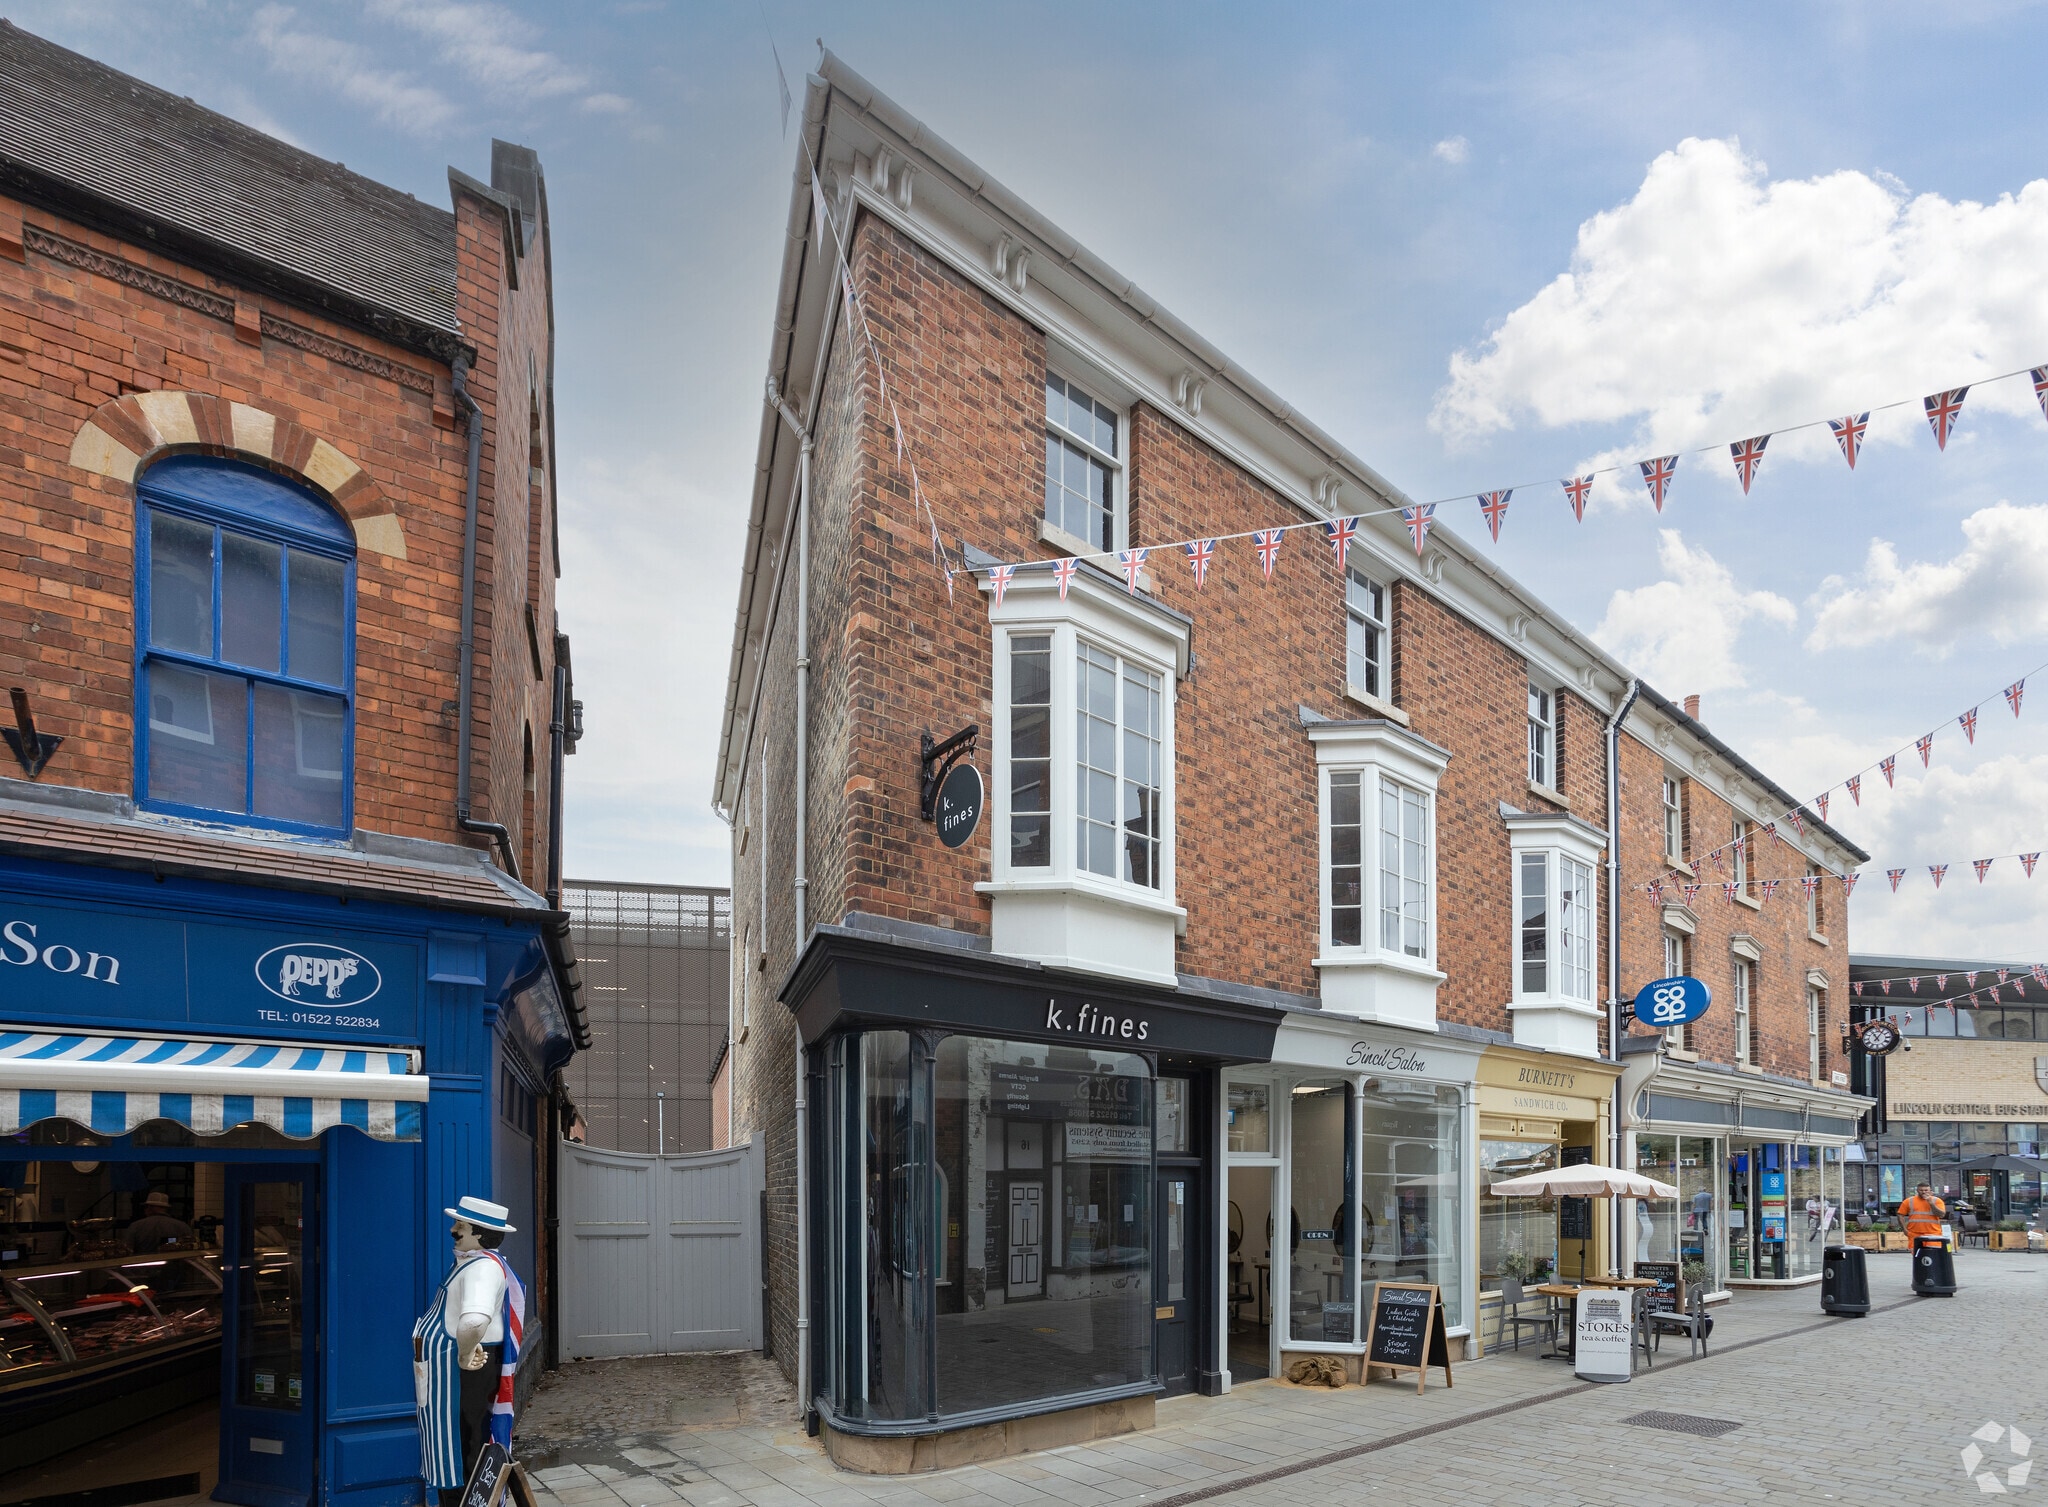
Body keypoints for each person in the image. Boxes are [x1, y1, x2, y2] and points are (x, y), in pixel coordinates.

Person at [413, 1196, 526, 1506]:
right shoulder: (471, 1264)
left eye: (460, 1226)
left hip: (461, 1374)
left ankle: (464, 1501)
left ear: (480, 1233)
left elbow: (474, 1320)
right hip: (448, 1374)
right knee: (459, 1442)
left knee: (462, 1446)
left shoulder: (481, 1270)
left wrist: (464, 1354)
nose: (453, 1230)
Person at [124, 1191, 195, 1253]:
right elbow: (190, 1249)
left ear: (149, 1207)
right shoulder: (182, 1226)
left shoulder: (136, 1226)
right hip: (172, 1265)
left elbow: (128, 1249)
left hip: (144, 1265)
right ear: (166, 1209)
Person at [1898, 1182, 1947, 1247]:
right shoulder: (1909, 1201)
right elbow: (1900, 1214)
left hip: (1933, 1234)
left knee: (1932, 1255)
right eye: (1921, 1190)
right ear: (1917, 1190)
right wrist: (1904, 1229)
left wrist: (1931, 1204)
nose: (1923, 1192)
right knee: (1917, 1255)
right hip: (1914, 1234)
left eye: (1926, 1190)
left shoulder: (1937, 1201)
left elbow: (1941, 1215)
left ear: (1930, 1191)